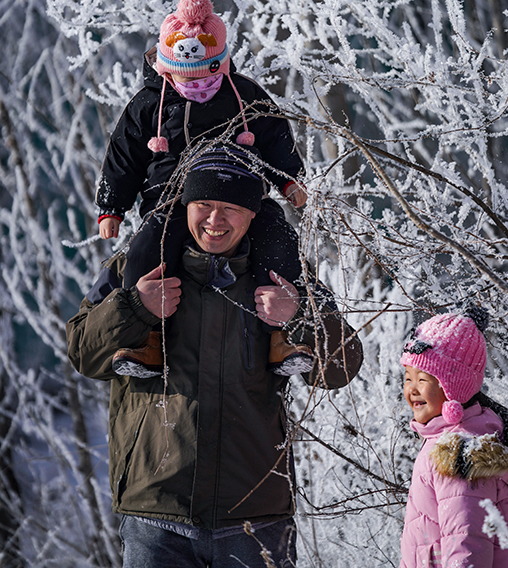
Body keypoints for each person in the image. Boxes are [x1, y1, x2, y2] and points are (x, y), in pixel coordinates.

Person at [66, 146, 363, 568]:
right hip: (156, 511)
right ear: (186, 203)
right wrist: (134, 307)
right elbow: (81, 352)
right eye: (203, 204)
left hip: (254, 513)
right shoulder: (133, 269)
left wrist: (297, 317)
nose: (214, 220)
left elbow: (343, 365)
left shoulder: (285, 275)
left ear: (253, 213)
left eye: (231, 208)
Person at [96, 0, 309, 377]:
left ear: (221, 64)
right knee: (148, 248)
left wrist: (290, 180)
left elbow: (275, 135)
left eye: (206, 77)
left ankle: (283, 334)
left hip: (240, 197)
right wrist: (112, 205)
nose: (196, 87)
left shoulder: (243, 96)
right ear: (166, 69)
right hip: (169, 199)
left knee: (277, 240)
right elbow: (124, 155)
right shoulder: (150, 104)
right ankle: (145, 338)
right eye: (184, 79)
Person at [399, 305, 508, 568]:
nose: (412, 389)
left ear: (453, 386)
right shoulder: (452, 437)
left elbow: (466, 542)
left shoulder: (458, 453)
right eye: (407, 378)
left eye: (423, 379)